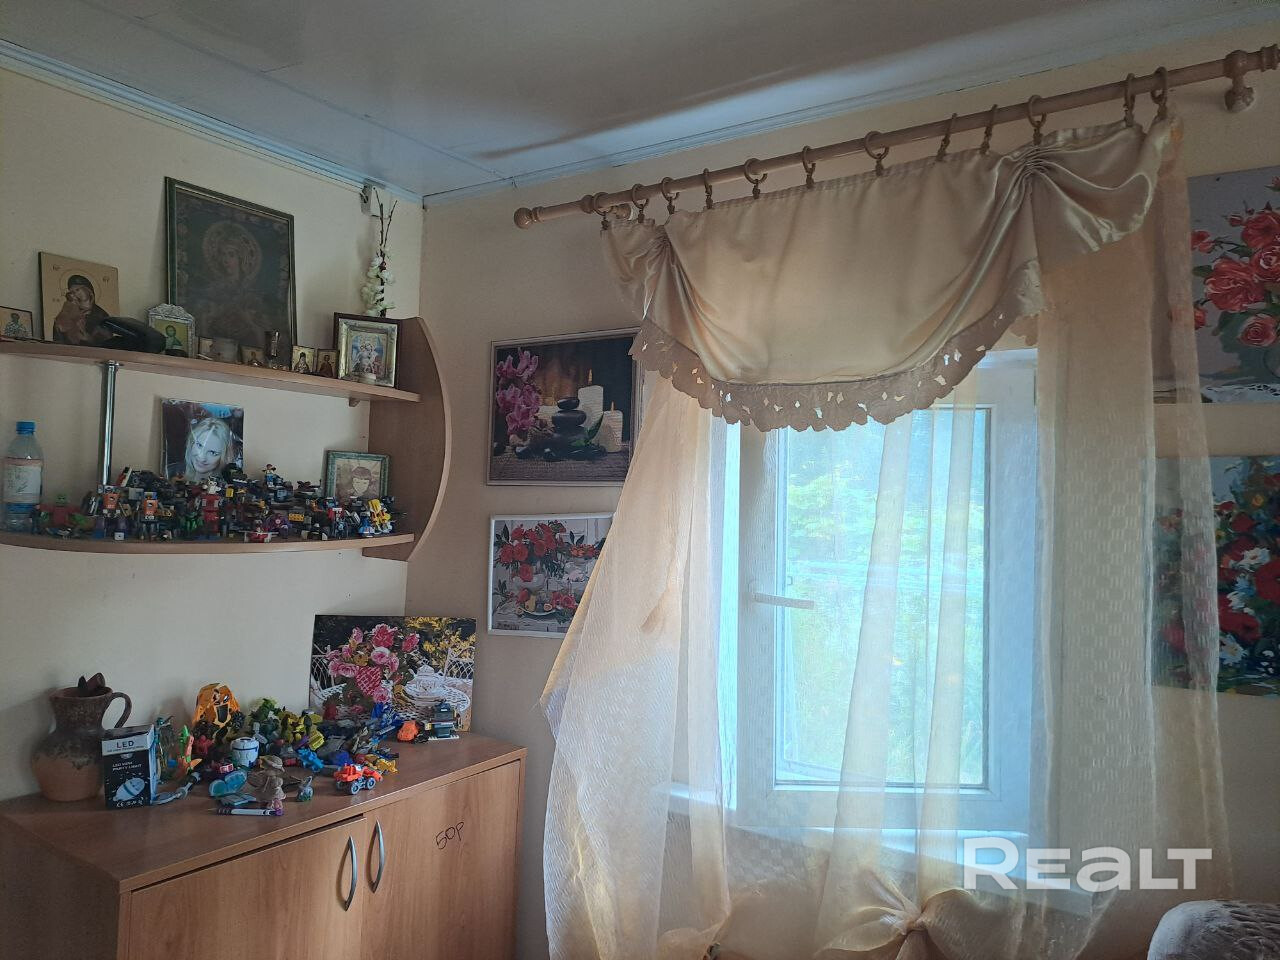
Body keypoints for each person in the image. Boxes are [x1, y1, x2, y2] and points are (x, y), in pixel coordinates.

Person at [52, 275, 113, 345]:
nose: (75, 294)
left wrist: (89, 338)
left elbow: (107, 343)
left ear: (88, 290)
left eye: (77, 290)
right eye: (72, 292)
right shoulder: (68, 312)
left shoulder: (101, 315)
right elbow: (57, 339)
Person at [172, 417, 235, 481]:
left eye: (212, 453)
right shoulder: (172, 473)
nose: (202, 458)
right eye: (199, 445)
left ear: (224, 456)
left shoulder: (227, 483)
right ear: (191, 443)